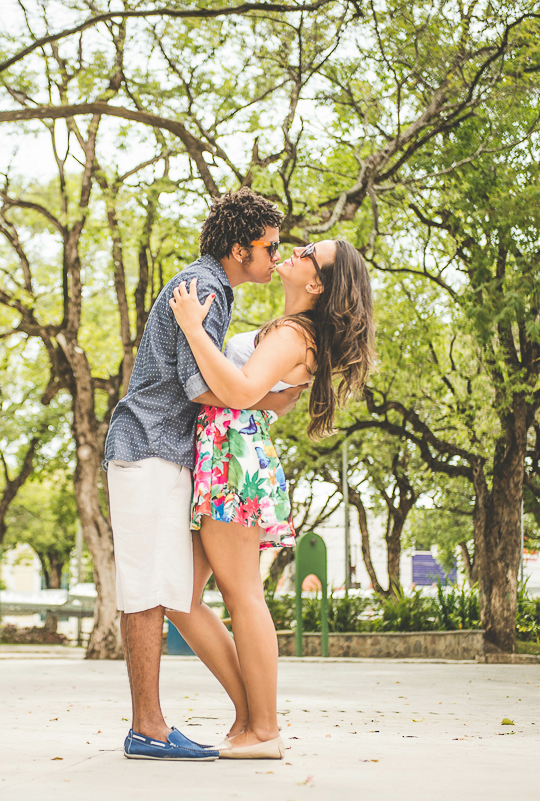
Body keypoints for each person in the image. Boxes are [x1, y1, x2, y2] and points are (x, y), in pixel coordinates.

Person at [102, 188, 302, 761]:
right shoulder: (205, 286)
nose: (275, 257)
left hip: (167, 451)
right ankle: (150, 728)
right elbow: (198, 385)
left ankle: (240, 716)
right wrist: (268, 399)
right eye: (270, 246)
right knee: (147, 588)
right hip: (149, 446)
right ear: (240, 249)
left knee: (164, 589)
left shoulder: (214, 286)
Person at [165, 238, 376, 759]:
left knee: (242, 597)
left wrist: (193, 328)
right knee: (180, 597)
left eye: (309, 253)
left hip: (232, 455)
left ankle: (264, 730)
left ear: (317, 283)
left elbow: (240, 392)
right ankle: (250, 716)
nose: (296, 250)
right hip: (229, 451)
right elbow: (269, 400)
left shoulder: (291, 334)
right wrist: (258, 399)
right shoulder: (294, 333)